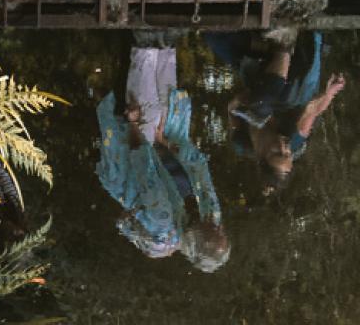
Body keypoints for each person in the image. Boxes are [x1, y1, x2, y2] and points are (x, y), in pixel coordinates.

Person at [96, 36, 229, 272]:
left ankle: (144, 42)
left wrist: (134, 123)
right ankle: (167, 40)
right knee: (169, 104)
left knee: (150, 111)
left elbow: (142, 165)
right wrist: (166, 142)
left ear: (197, 241)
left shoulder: (163, 221)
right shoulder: (210, 217)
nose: (218, 226)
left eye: (214, 233)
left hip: (131, 160)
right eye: (222, 232)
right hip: (159, 153)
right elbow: (199, 167)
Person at [205, 30, 345, 193]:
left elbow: (231, 110)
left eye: (278, 153)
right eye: (287, 154)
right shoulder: (295, 141)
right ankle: (285, 43)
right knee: (266, 103)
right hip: (297, 84)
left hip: (259, 79)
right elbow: (312, 110)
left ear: (260, 157)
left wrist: (238, 100)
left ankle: (268, 46)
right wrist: (330, 93)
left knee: (214, 37)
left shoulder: (242, 142)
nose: (284, 146)